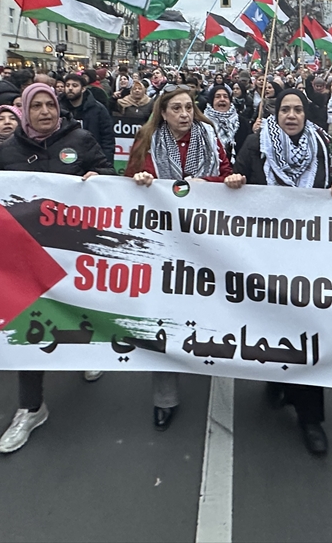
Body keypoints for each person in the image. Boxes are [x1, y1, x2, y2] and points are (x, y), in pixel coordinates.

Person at [0, 83, 115, 454]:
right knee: (30, 324)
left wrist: (98, 179)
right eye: (37, 106)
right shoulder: (9, 150)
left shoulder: (79, 138)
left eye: (50, 105)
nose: (45, 112)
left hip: (73, 249)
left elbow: (107, 175)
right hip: (28, 253)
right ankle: (31, 408)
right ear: (24, 111)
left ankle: (87, 355)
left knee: (78, 308)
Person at [227, 88, 332, 455]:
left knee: (306, 328)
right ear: (276, 114)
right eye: (284, 110)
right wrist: (235, 180)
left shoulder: (321, 146)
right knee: (269, 324)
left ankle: (310, 418)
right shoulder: (255, 143)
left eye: (297, 110)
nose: (291, 115)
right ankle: (275, 380)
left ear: (305, 115)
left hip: (308, 253)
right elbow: (240, 176)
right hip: (264, 254)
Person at [126, 87, 233, 430]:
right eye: (176, 108)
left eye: (189, 107)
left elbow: (227, 173)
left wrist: (217, 181)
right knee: (164, 317)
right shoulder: (147, 139)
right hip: (164, 243)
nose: (185, 114)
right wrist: (140, 180)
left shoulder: (210, 136)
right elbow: (127, 184)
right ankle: (165, 398)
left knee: (206, 308)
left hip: (204, 240)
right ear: (164, 112)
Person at [60, 73, 115, 165]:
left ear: (83, 89)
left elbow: (107, 139)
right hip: (63, 157)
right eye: (67, 85)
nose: (70, 88)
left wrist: (105, 164)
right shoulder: (57, 108)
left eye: (75, 85)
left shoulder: (98, 109)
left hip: (90, 159)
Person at [203, 85, 241, 161]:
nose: (222, 99)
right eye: (218, 96)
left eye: (225, 96)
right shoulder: (203, 123)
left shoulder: (241, 122)